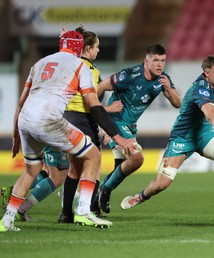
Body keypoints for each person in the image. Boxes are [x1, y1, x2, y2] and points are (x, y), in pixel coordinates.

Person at [0, 29, 135, 232]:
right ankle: (83, 211)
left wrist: (16, 135)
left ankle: (7, 220)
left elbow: (21, 102)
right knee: (93, 156)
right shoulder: (81, 66)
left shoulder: (40, 63)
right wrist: (117, 136)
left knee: (31, 170)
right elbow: (94, 106)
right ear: (80, 47)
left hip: (26, 121)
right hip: (50, 120)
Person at [120, 55, 214, 216]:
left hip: (204, 135)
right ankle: (140, 197)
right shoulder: (200, 90)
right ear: (206, 73)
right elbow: (211, 115)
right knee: (162, 184)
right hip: (183, 137)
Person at [96, 43, 181, 214]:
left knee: (120, 168)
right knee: (137, 159)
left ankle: (96, 196)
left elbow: (178, 103)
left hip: (130, 126)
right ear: (146, 61)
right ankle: (104, 190)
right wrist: (100, 115)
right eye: (155, 60)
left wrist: (169, 90)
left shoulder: (163, 79)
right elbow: (100, 87)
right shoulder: (129, 75)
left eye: (162, 60)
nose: (159, 64)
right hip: (115, 121)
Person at [58, 26, 123, 223]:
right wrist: (108, 111)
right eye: (96, 47)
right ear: (87, 48)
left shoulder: (69, 64)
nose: (98, 50)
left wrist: (64, 37)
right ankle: (89, 211)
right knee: (93, 166)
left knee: (74, 170)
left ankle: (66, 214)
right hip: (83, 119)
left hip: (66, 118)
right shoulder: (91, 70)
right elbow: (91, 102)